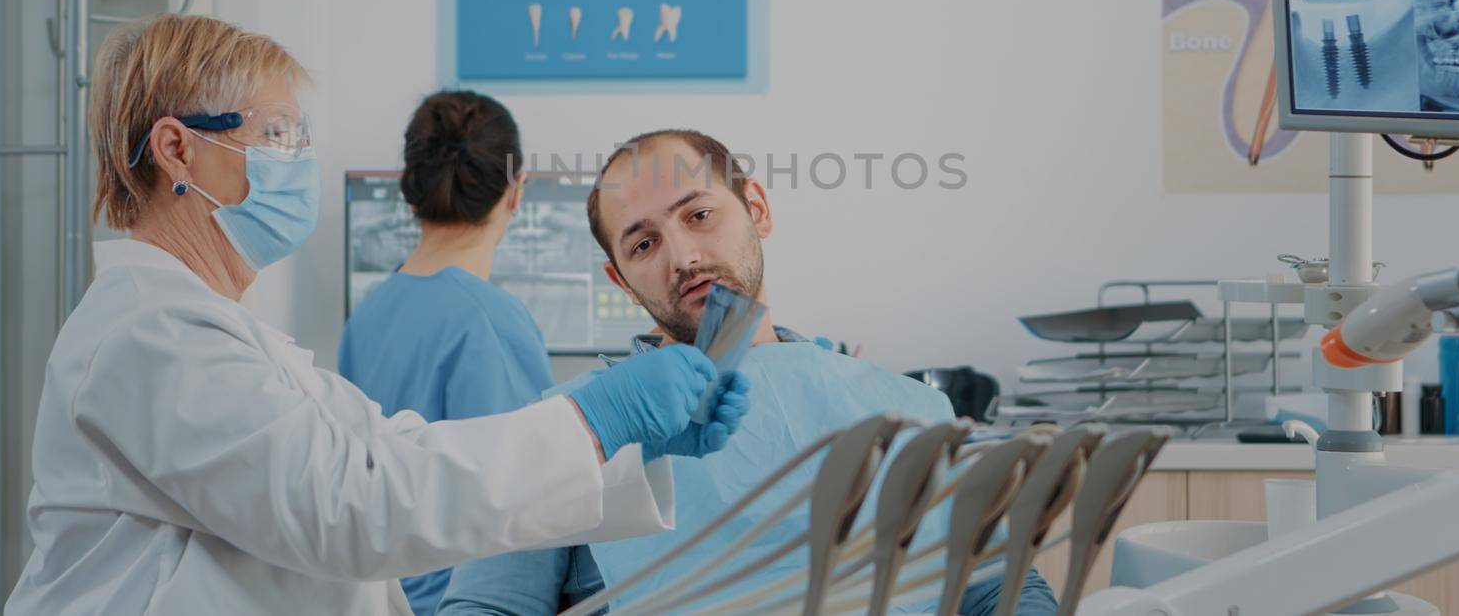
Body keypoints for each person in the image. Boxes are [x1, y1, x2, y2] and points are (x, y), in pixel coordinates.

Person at [5, 17, 751, 616]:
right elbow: (353, 506)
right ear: (177, 149)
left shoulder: (231, 337)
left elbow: (393, 453)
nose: (298, 160)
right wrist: (596, 418)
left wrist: (625, 451)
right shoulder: (148, 337)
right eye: (276, 134)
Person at [436, 130, 1058, 615]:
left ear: (756, 207)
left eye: (699, 215)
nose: (685, 257)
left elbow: (998, 585)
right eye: (644, 244)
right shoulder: (569, 428)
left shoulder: (904, 408)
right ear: (621, 281)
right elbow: (486, 605)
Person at [339, 90, 558, 616]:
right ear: (516, 192)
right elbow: (527, 507)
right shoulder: (492, 322)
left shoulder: (365, 317)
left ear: (409, 188)